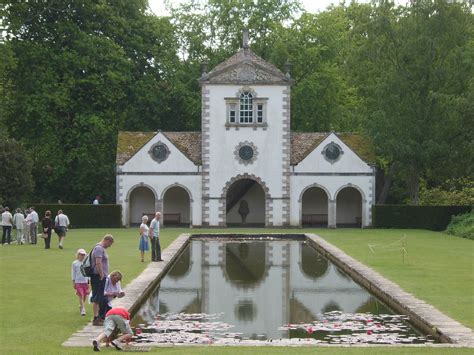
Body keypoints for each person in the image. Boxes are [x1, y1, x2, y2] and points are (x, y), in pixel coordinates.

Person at [91, 234, 114, 326]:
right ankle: (96, 319)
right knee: (97, 297)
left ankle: (99, 317)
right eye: (110, 243)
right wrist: (101, 275)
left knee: (99, 297)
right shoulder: (99, 248)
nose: (110, 246)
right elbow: (98, 262)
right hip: (98, 276)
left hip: (100, 276)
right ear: (107, 240)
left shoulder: (99, 248)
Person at [71, 248, 90, 316]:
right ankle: (83, 309)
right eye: (81, 255)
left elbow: (88, 274)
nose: (82, 256)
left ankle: (81, 305)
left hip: (85, 282)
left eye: (83, 255)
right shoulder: (74, 263)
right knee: (81, 295)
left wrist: (88, 283)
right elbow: (73, 273)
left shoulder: (86, 263)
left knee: (84, 295)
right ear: (78, 255)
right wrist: (73, 282)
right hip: (78, 282)